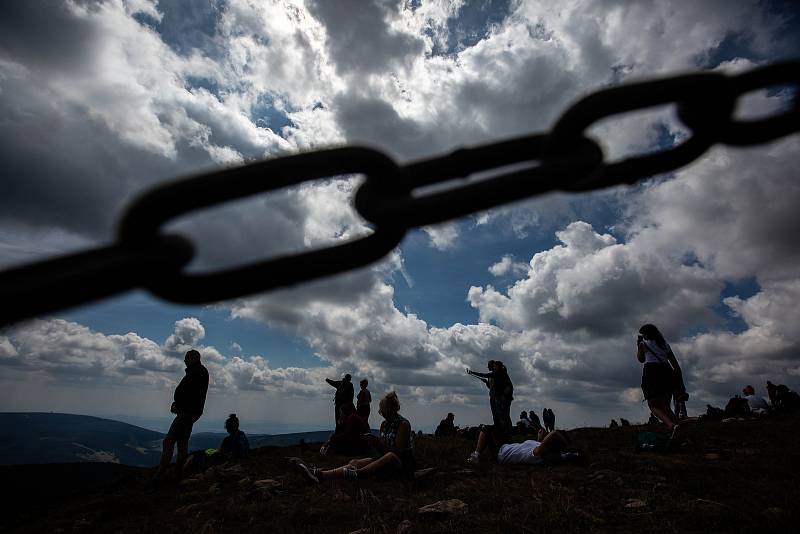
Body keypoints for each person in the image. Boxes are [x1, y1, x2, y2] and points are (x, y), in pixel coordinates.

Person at [295, 392, 414, 483]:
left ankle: (357, 474)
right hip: (385, 461)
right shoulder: (384, 425)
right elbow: (382, 450)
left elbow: (399, 453)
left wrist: (378, 443)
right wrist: (375, 444)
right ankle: (320, 475)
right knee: (356, 461)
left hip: (401, 464)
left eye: (383, 410)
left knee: (391, 456)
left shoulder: (403, 424)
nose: (381, 413)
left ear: (391, 409)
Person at [156, 349, 210, 479]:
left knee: (168, 441)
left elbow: (192, 394)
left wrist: (179, 406)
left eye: (186, 358)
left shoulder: (196, 372)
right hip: (189, 412)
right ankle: (179, 471)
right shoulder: (198, 371)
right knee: (182, 441)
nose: (184, 360)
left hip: (187, 412)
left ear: (194, 358)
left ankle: (161, 473)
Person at [636, 324, 683, 438]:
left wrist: (638, 346)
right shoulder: (665, 345)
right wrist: (679, 382)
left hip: (652, 374)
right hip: (667, 373)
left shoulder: (643, 344)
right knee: (666, 406)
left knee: (653, 406)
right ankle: (679, 430)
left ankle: (671, 425)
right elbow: (676, 366)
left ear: (646, 334)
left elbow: (641, 359)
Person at [468, 427, 570, 464]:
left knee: (485, 430)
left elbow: (554, 433)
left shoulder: (538, 454)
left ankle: (476, 456)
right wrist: (540, 437)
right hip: (506, 445)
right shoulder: (540, 448)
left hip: (501, 453)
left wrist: (557, 435)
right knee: (502, 428)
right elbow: (538, 445)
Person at [467, 361, 514, 438]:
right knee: (502, 415)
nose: (489, 367)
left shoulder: (497, 374)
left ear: (496, 366)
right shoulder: (502, 374)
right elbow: (493, 386)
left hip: (499, 398)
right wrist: (486, 383)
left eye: (492, 366)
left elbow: (484, 375)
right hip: (498, 398)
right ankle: (505, 431)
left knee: (502, 415)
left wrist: (472, 372)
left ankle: (505, 432)